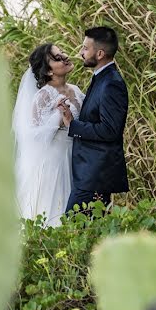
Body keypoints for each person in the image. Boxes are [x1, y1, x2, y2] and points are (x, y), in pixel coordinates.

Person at [57, 26, 129, 212]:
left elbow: (110, 130)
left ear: (99, 54)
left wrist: (73, 125)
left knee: (72, 230)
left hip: (95, 177)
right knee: (85, 234)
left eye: (85, 48)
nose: (80, 53)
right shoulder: (101, 78)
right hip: (89, 174)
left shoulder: (112, 83)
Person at [12, 43, 84, 226]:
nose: (65, 57)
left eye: (63, 53)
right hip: (55, 163)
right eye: (58, 57)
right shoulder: (43, 96)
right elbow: (33, 137)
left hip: (76, 157)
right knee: (56, 213)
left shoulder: (76, 90)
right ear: (49, 71)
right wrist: (58, 117)